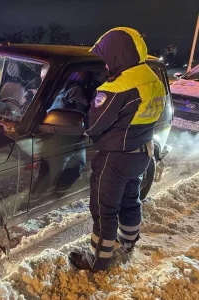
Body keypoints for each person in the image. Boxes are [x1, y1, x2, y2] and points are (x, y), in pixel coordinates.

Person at [69, 27, 166, 271]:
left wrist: (84, 101)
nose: (104, 65)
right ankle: (129, 242)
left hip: (115, 160)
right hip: (142, 152)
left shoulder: (116, 88)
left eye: (106, 58)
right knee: (130, 202)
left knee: (104, 211)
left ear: (116, 54)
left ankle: (98, 261)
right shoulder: (152, 79)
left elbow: (93, 126)